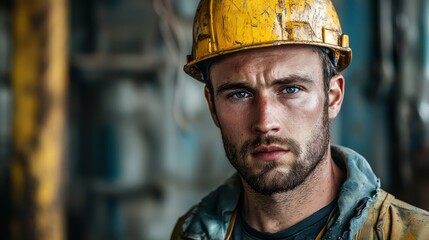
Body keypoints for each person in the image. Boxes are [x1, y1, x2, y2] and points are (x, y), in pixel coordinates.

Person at [171, 0, 429, 239]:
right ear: (213, 108)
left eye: (290, 89)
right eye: (239, 94)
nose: (265, 121)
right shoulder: (191, 232)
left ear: (333, 97)